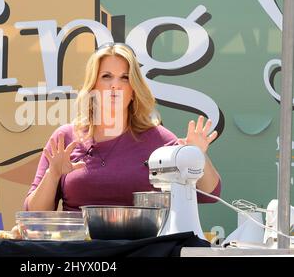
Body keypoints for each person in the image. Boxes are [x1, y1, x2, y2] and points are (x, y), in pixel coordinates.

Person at [24, 42, 221, 211]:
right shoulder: (65, 137)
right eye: (106, 76)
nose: (115, 86)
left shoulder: (158, 139)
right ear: (92, 86)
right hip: (78, 249)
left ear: (134, 90)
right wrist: (53, 175)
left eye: (124, 78)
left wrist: (197, 156)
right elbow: (34, 212)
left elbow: (209, 195)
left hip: (139, 248)